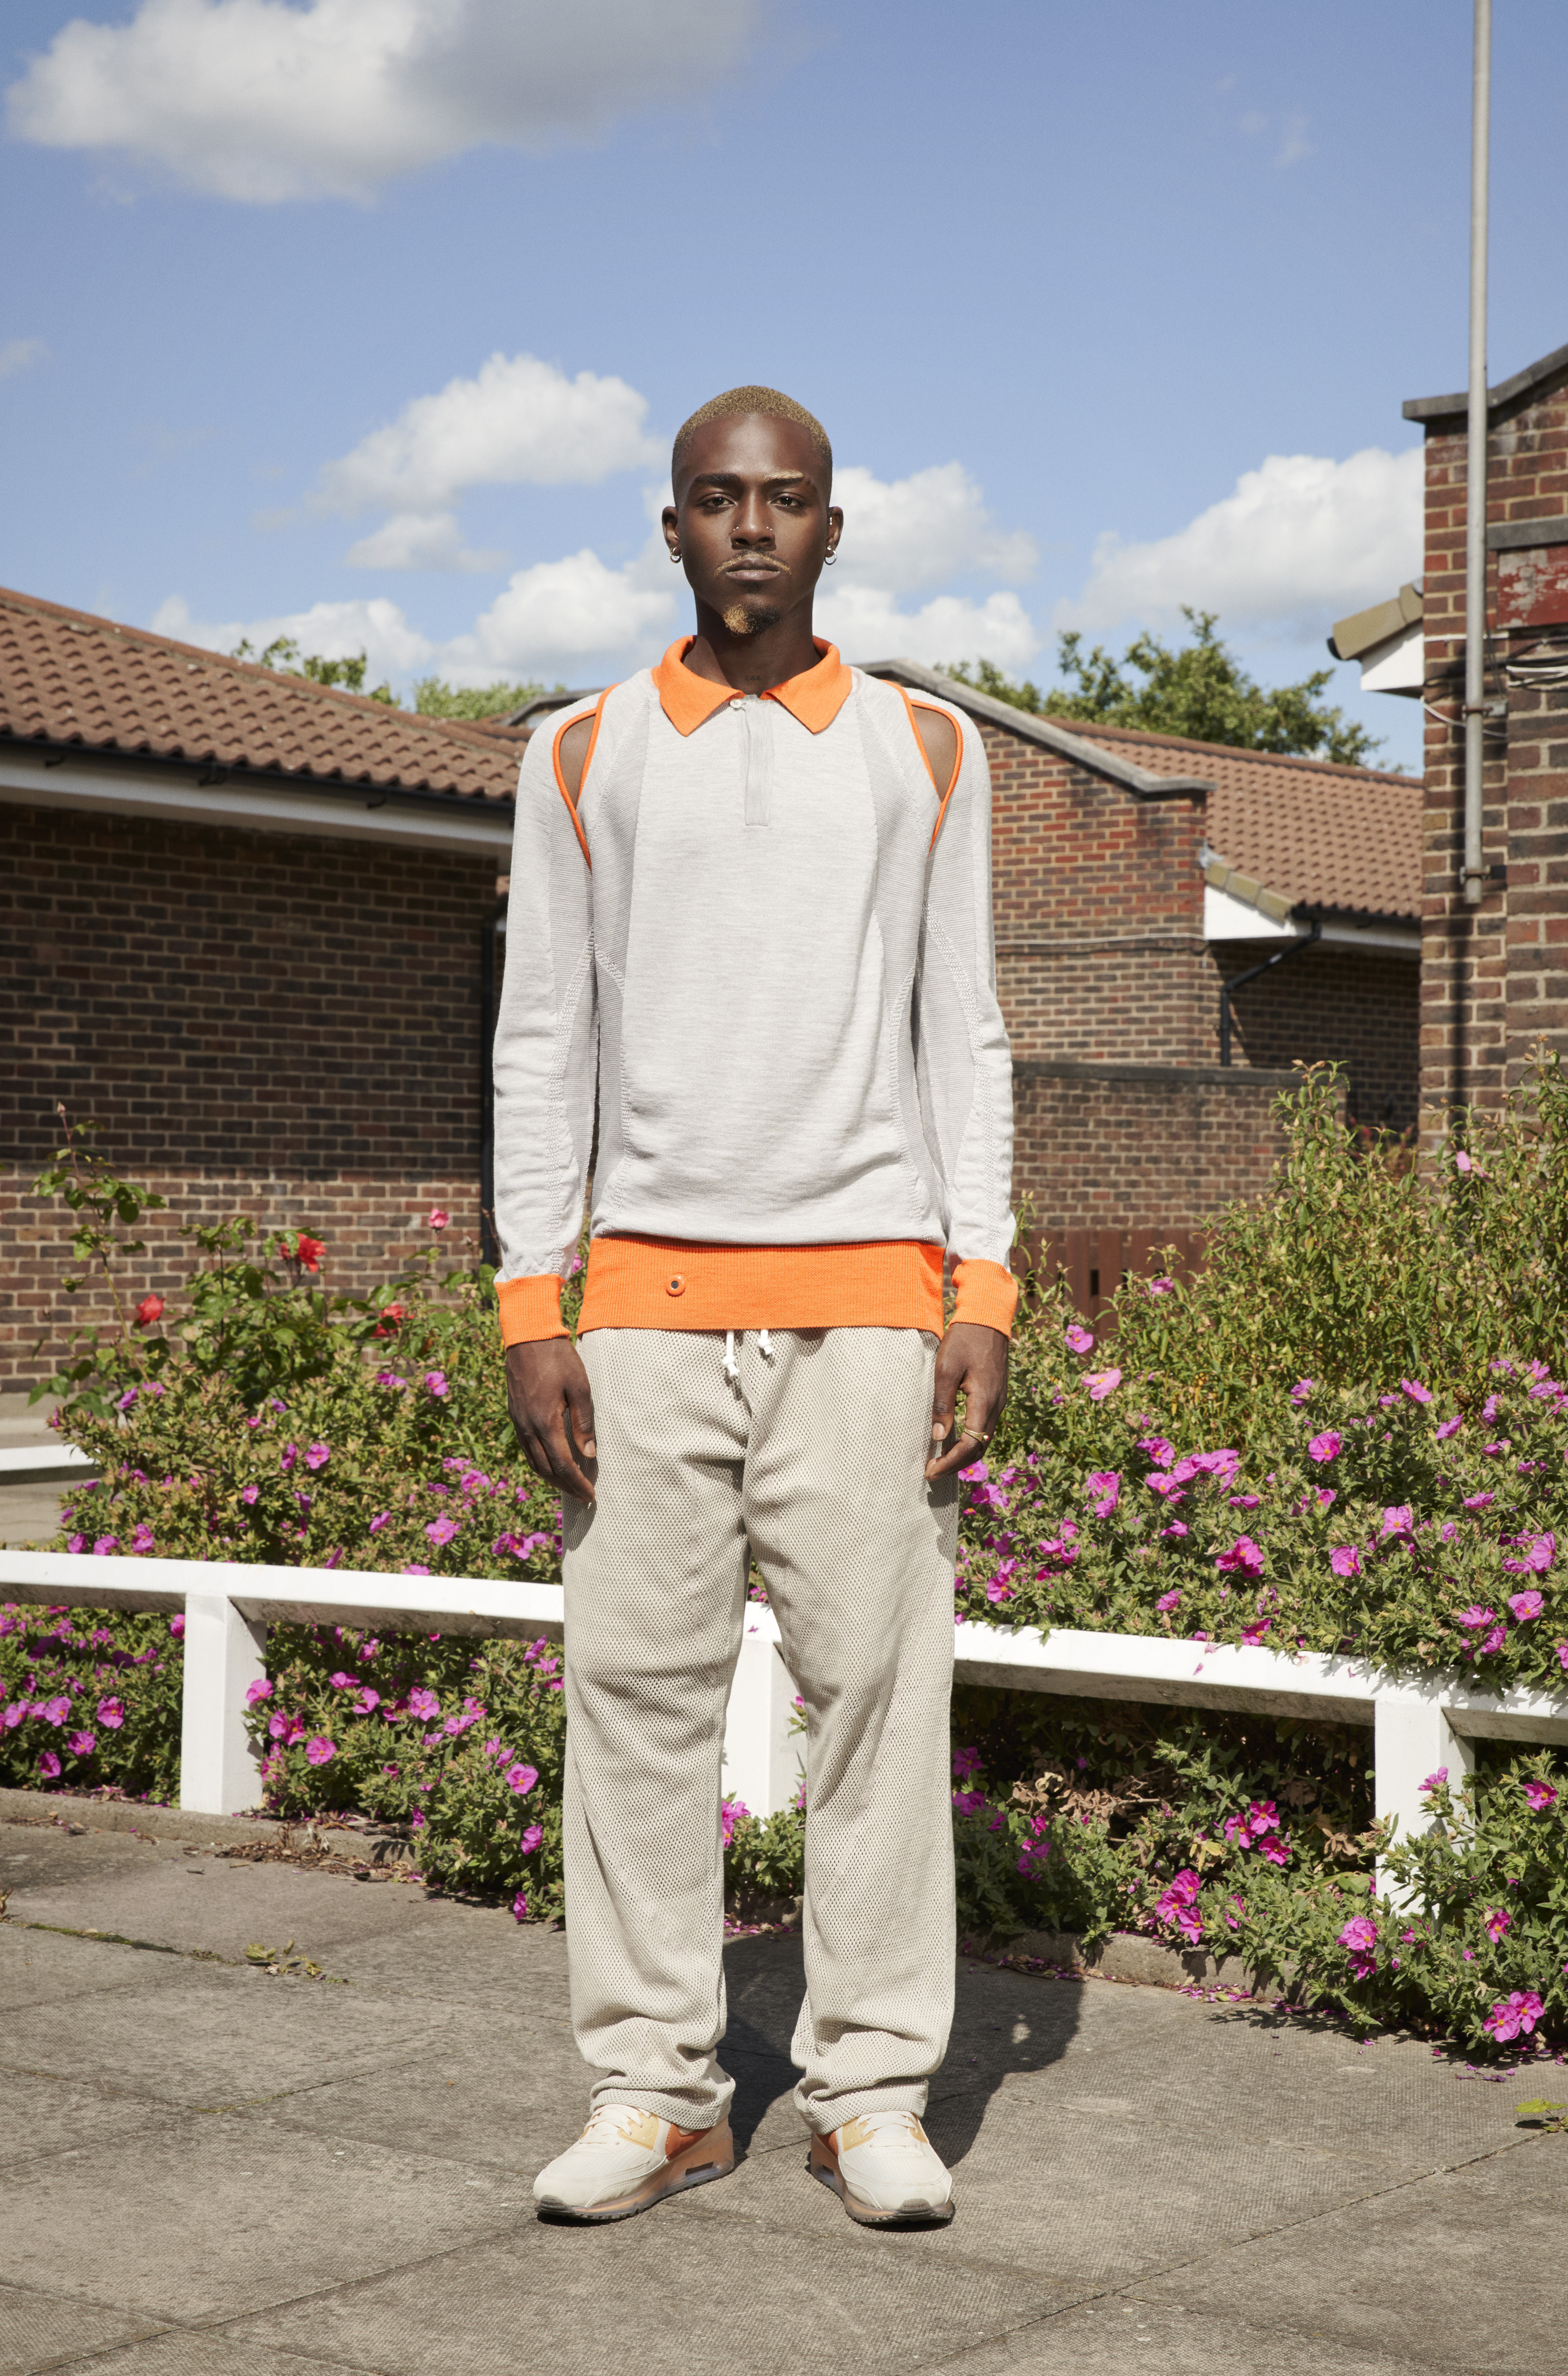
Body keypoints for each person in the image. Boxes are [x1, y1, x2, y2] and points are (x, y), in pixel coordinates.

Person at [494, 386, 1016, 2229]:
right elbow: (540, 1040)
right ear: (669, 525)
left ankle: (869, 2087)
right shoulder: (576, 752)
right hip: (632, 1304)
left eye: (781, 499)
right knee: (629, 1698)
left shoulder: (926, 750)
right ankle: (654, 2091)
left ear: (830, 527)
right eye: (714, 497)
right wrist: (526, 1302)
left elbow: (963, 1032)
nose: (747, 527)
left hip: (874, 1299)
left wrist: (986, 1285)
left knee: (872, 1694)